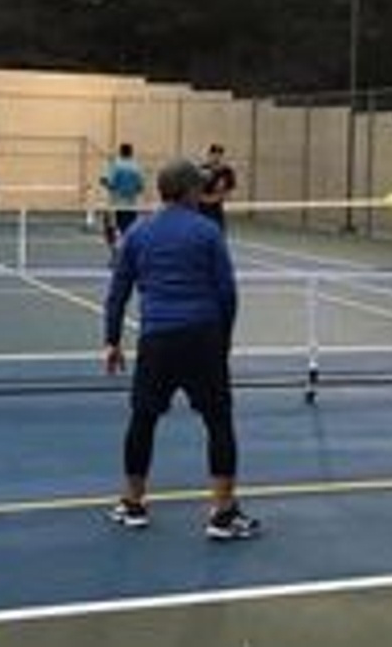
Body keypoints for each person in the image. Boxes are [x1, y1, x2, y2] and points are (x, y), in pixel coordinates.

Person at [103, 157, 259, 541]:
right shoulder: (208, 233)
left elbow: (118, 292)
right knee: (218, 421)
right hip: (203, 337)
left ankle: (133, 503)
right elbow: (227, 293)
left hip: (156, 340)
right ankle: (222, 513)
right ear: (192, 192)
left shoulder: (138, 233)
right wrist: (222, 342)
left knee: (143, 419)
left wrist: (112, 341)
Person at [99, 143, 146, 248]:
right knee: (130, 229)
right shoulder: (137, 167)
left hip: (117, 203)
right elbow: (141, 187)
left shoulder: (116, 165)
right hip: (132, 204)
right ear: (131, 153)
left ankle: (116, 250)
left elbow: (111, 184)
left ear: (120, 152)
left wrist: (103, 181)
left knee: (115, 227)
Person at [199, 143, 236, 230]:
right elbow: (194, 190)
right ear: (209, 154)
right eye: (214, 154)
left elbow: (228, 190)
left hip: (216, 209)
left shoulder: (226, 171)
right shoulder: (201, 170)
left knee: (219, 231)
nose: (216, 157)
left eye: (219, 154)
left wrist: (216, 198)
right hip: (201, 209)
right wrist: (204, 199)